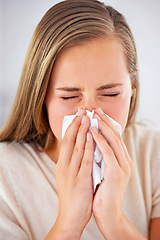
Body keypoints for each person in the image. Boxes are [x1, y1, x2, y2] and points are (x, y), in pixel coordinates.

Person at [0, 0, 160, 239]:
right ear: (41, 95)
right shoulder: (5, 174)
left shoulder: (153, 152)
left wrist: (113, 219)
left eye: (110, 94)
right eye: (70, 96)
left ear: (133, 87)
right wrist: (69, 223)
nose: (90, 113)